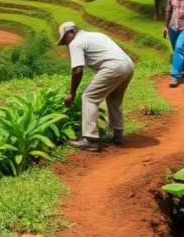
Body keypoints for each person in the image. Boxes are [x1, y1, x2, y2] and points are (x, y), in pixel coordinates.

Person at [58, 22, 135, 152]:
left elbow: (77, 70)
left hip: (113, 66)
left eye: (65, 38)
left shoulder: (76, 42)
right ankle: (117, 135)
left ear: (71, 32)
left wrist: (72, 93)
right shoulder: (94, 35)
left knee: (89, 97)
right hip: (128, 66)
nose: (66, 43)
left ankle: (89, 139)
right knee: (114, 100)